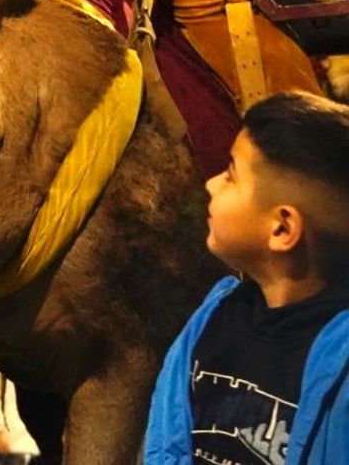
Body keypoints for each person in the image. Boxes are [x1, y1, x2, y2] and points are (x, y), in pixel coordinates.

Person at [144, 90, 349, 463]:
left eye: (230, 175)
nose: (210, 184)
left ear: (282, 229)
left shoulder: (342, 365)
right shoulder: (213, 317)